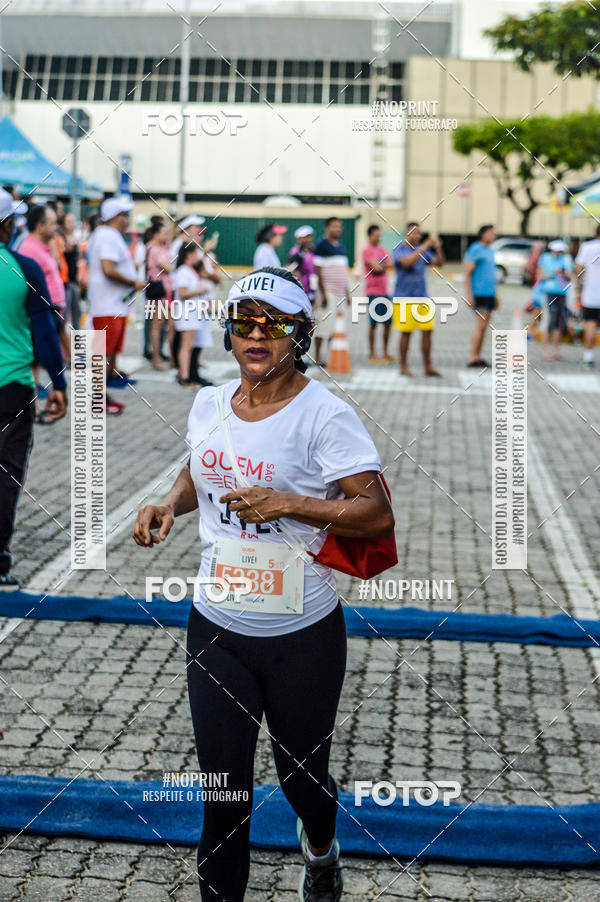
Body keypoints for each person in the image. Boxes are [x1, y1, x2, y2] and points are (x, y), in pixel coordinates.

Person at [133, 265, 394, 902]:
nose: (258, 336)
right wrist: (169, 502)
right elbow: (201, 470)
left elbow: (376, 512)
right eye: (246, 323)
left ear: (298, 335)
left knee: (302, 781)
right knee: (223, 795)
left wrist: (289, 503)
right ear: (229, 332)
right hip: (217, 628)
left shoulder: (325, 415)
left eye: (274, 325)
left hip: (302, 632)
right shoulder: (208, 402)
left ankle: (322, 850)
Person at [0, 188, 67, 588]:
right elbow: (45, 332)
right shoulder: (23, 267)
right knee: (6, 474)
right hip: (11, 387)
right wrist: (58, 383)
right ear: (7, 225)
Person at [88, 197, 146, 414]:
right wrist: (133, 282)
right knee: (101, 354)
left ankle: (102, 394)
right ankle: (97, 398)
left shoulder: (107, 235)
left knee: (107, 352)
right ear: (114, 217)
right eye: (123, 215)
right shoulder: (107, 236)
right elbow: (108, 269)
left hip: (112, 305)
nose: (126, 219)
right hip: (107, 306)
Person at [392, 222, 444, 377]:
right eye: (414, 233)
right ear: (406, 233)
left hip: (422, 298)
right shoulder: (399, 249)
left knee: (428, 331)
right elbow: (407, 263)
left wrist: (438, 247)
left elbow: (439, 263)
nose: (417, 236)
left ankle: (428, 366)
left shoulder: (422, 250)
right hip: (404, 298)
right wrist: (424, 247)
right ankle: (404, 366)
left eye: (419, 233)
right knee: (406, 333)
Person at [19, 204, 68, 361]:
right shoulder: (28, 250)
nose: (56, 227)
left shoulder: (42, 247)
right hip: (44, 310)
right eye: (52, 223)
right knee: (40, 357)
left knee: (56, 357)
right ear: (40, 226)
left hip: (53, 309)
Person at [171, 242, 213, 387]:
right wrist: (200, 290)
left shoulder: (190, 271)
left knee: (192, 345)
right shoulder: (183, 271)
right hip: (186, 314)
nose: (198, 257)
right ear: (189, 255)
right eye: (196, 253)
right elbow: (182, 293)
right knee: (186, 346)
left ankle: (190, 374)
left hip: (194, 313)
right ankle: (184, 376)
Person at [313, 218, 351, 366]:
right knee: (323, 324)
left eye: (339, 226)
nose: (338, 229)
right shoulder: (322, 245)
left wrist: (347, 293)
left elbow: (343, 271)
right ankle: (317, 356)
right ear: (327, 228)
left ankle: (332, 356)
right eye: (334, 226)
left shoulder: (341, 247)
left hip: (340, 292)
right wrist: (322, 294)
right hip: (327, 292)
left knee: (337, 326)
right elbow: (318, 270)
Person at [464, 224, 498, 367]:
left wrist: (496, 295)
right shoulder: (475, 249)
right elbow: (467, 273)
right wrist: (469, 295)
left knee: (484, 326)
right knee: (481, 325)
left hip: (489, 293)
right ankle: (473, 356)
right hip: (479, 293)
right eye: (491, 232)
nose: (494, 235)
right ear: (483, 234)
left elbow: (490, 275)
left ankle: (478, 356)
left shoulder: (490, 250)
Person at [536, 239, 574, 360]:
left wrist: (562, 273)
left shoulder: (567, 259)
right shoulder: (545, 258)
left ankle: (557, 350)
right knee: (548, 321)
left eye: (560, 251)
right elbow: (540, 276)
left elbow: (570, 276)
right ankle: (545, 351)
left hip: (562, 293)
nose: (558, 253)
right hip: (548, 292)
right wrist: (552, 274)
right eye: (556, 251)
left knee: (559, 321)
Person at [145, 221, 173, 370]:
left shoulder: (161, 248)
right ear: (156, 234)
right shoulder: (154, 249)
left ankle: (162, 356)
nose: (167, 236)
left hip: (165, 291)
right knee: (157, 326)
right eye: (164, 233)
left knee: (166, 325)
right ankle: (156, 358)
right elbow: (167, 266)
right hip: (159, 293)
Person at [362, 224, 393, 363]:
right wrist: (382, 264)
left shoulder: (382, 249)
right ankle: (372, 353)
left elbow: (390, 264)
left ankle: (386, 352)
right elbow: (377, 269)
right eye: (376, 235)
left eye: (380, 235)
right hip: (373, 291)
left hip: (385, 291)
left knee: (388, 323)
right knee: (373, 323)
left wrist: (382, 264)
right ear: (369, 236)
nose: (378, 237)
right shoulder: (367, 250)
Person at [575, 223, 600, 368]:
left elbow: (578, 268)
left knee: (590, 324)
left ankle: (588, 357)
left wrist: (579, 288)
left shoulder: (587, 247)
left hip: (591, 294)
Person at [59, 211, 82, 330]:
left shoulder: (74, 238)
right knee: (65, 314)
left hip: (74, 281)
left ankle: (77, 344)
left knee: (77, 312)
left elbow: (79, 258)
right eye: (69, 222)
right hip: (65, 282)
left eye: (73, 222)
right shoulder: (60, 237)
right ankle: (66, 344)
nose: (71, 225)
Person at [288, 225, 317, 303]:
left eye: (309, 237)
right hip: (302, 288)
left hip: (313, 287)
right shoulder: (295, 252)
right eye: (305, 237)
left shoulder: (312, 250)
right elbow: (293, 270)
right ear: (299, 239)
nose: (308, 239)